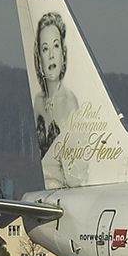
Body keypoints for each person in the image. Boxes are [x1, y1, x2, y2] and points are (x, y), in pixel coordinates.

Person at [33, 12, 78, 158]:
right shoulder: (38, 101)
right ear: (39, 59)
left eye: (56, 46)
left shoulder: (69, 103)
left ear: (63, 55)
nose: (51, 55)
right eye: (45, 49)